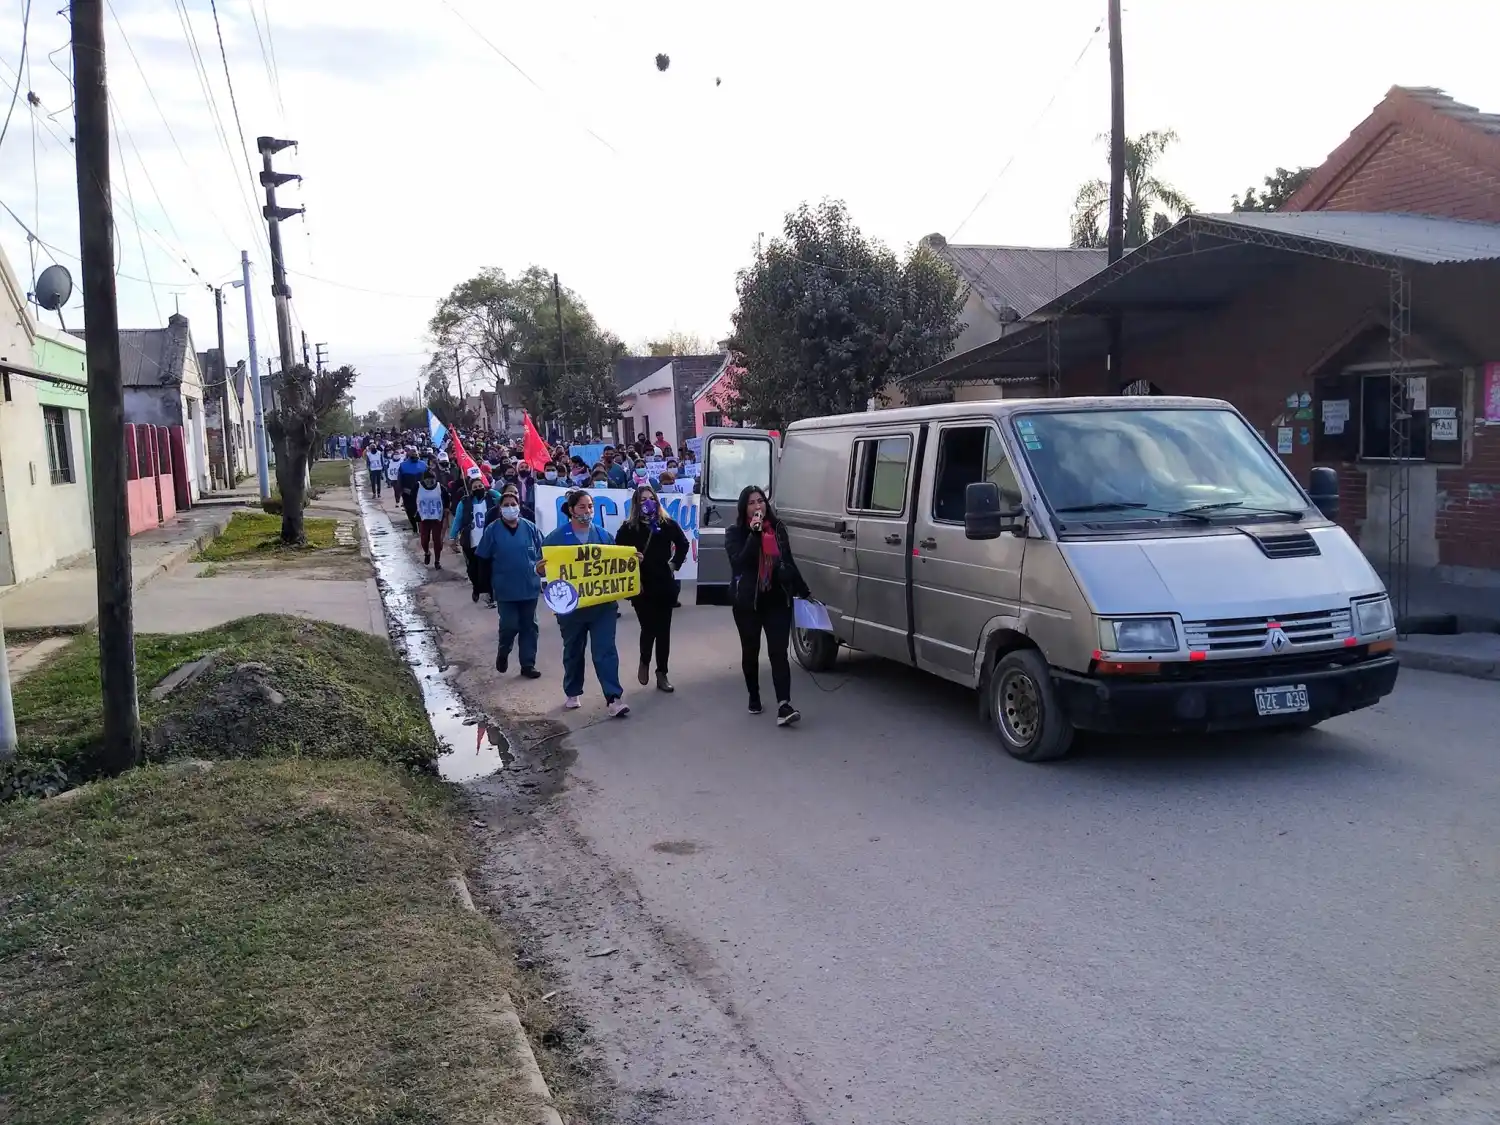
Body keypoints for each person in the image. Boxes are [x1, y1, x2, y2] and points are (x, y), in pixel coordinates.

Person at [725, 485, 809, 726]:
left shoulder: (778, 529)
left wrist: (804, 590)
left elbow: (789, 561)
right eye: (751, 502)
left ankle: (784, 704)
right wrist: (754, 535)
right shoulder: (734, 533)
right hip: (747, 603)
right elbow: (738, 563)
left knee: (778, 653)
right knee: (750, 652)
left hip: (776, 600)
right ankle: (754, 696)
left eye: (760, 501)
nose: (757, 506)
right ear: (744, 508)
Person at [541, 489, 629, 717]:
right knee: (573, 650)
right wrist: (539, 568)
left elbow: (616, 565)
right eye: (581, 507)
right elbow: (542, 569)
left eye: (590, 506)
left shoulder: (603, 537)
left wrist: (631, 561)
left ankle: (614, 698)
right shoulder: (556, 538)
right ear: (570, 510)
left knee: (605, 650)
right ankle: (572, 691)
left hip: (602, 608)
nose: (587, 511)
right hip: (571, 609)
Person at [615, 484, 690, 692]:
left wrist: (674, 564)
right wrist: (632, 558)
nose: (648, 503)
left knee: (664, 630)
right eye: (642, 499)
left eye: (651, 498)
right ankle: (644, 661)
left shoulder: (667, 524)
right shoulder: (628, 529)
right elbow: (617, 554)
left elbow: (683, 544)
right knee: (649, 628)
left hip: (664, 583)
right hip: (641, 586)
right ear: (636, 505)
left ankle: (662, 673)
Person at [476, 485, 544, 679]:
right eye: (506, 505)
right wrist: (483, 586)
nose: (510, 507)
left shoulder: (530, 528)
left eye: (513, 504)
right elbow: (482, 558)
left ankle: (528, 664)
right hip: (505, 588)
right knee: (509, 625)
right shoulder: (492, 530)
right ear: (500, 509)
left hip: (529, 586)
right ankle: (503, 651)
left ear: (519, 506)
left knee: (530, 626)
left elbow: (544, 552)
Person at [451, 467, 501, 604]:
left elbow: (502, 499)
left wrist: (491, 490)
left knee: (488, 569)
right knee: (473, 569)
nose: (478, 488)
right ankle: (476, 587)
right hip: (471, 541)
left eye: (480, 486)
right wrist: (452, 536)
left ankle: (490, 594)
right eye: (475, 486)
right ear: (470, 488)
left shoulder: (491, 499)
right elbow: (458, 519)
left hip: (488, 541)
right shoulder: (465, 502)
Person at [416, 469, 447, 567]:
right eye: (427, 479)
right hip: (423, 517)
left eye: (432, 479)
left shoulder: (440, 487)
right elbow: (412, 498)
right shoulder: (418, 487)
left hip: (437, 518)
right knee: (424, 539)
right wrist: (414, 512)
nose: (430, 482)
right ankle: (427, 552)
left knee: (437, 540)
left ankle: (437, 561)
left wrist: (446, 510)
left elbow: (446, 499)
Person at [397, 447, 425, 532]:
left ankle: (421, 528)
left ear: (418, 453)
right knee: (410, 510)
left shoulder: (424, 464)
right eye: (412, 452)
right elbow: (399, 480)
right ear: (408, 454)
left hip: (421, 492)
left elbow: (428, 478)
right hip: (408, 493)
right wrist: (401, 491)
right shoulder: (403, 465)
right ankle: (414, 528)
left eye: (415, 452)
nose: (414, 453)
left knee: (421, 510)